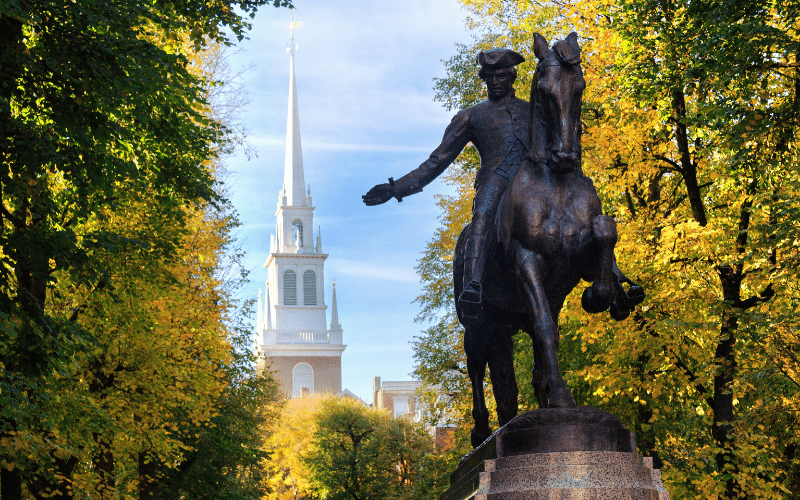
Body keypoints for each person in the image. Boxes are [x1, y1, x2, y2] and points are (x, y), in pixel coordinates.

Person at [362, 48, 529, 317]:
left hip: (531, 181)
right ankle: (473, 283)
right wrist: (395, 189)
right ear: (483, 79)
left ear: (512, 75)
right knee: (483, 216)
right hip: (496, 179)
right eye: (489, 77)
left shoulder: (532, 110)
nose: (495, 82)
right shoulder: (471, 116)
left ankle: (610, 273)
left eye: (501, 75)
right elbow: (437, 161)